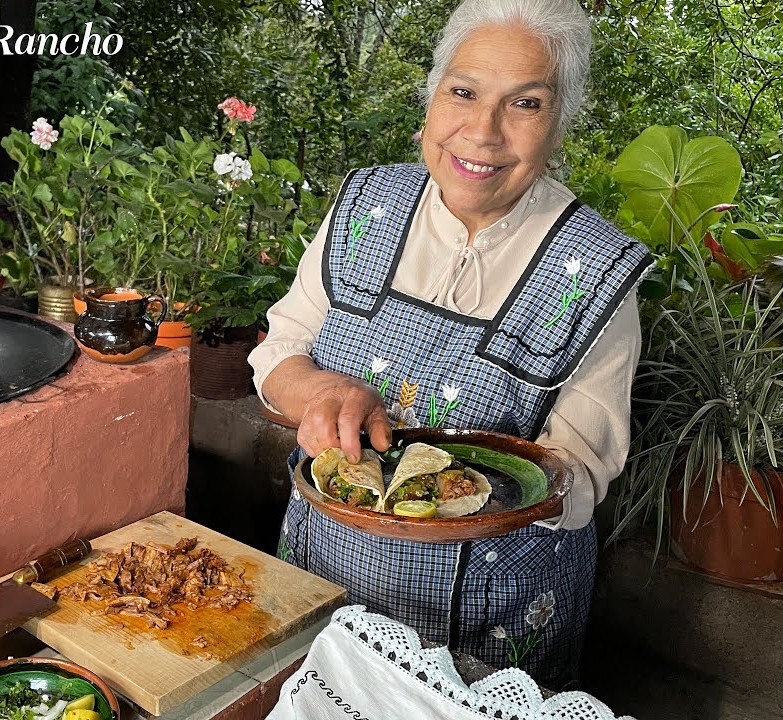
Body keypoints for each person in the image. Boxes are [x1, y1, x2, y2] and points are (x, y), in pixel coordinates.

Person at [249, 0, 654, 691]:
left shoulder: (598, 269)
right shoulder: (363, 204)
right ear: (432, 99)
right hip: (323, 573)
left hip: (492, 617)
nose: (482, 132)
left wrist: (450, 486)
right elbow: (279, 348)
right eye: (462, 92)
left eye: (524, 103)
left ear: (559, 123)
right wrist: (318, 391)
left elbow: (579, 472)